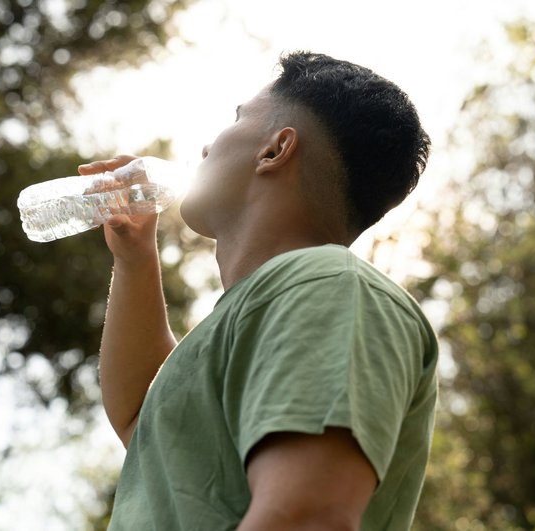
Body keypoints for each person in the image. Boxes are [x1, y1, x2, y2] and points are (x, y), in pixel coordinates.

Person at [79, 51, 438, 530]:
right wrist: (134, 257)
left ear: (274, 150)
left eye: (236, 119)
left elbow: (308, 518)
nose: (207, 147)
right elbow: (144, 418)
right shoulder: (274, 304)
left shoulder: (329, 287)